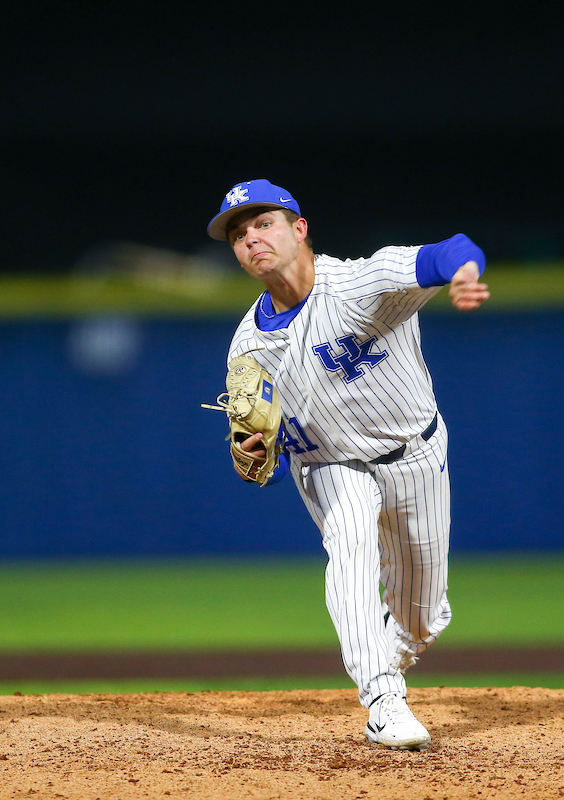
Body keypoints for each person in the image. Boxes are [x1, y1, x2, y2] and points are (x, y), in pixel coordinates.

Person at [206, 179, 489, 750]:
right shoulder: (247, 348)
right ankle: (383, 701)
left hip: (417, 454)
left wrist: (462, 274)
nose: (251, 239)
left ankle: (389, 652)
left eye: (264, 224)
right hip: (332, 467)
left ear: (299, 229)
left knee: (423, 617)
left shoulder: (365, 283)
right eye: (239, 234)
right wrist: (255, 459)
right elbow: (269, 462)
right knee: (351, 549)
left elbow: (451, 249)